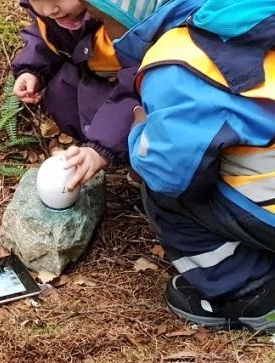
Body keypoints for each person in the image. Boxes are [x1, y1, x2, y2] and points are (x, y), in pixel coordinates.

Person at [85, 0, 275, 331]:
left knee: (165, 192)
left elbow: (168, 174)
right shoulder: (250, 17)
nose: (104, 34)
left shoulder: (176, 60)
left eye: (103, 20)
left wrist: (139, 132)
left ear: (130, 16)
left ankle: (250, 290)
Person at [11, 0, 143, 190]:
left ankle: (137, 160)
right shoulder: (60, 14)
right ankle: (93, 139)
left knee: (141, 115)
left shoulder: (124, 22)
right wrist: (30, 70)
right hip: (90, 72)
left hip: (133, 89)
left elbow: (135, 84)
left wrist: (101, 148)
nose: (49, 10)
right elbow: (47, 36)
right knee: (60, 93)